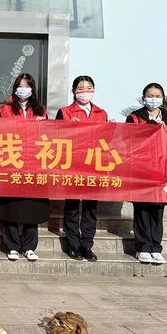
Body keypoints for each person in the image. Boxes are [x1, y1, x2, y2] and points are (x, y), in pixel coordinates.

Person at [56, 75, 113, 262]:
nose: (85, 92)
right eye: (81, 88)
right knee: (72, 205)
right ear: (73, 91)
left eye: (89, 88)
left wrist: (112, 129)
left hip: (93, 165)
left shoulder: (101, 113)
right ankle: (73, 243)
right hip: (72, 165)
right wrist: (69, 128)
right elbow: (56, 137)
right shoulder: (64, 112)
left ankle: (87, 244)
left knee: (90, 207)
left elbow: (105, 140)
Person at [126, 83, 167, 264]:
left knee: (157, 212)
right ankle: (143, 247)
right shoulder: (135, 118)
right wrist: (151, 127)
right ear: (143, 98)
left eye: (157, 96)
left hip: (162, 175)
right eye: (150, 96)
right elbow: (130, 142)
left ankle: (156, 247)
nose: (153, 99)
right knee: (142, 211)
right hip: (141, 174)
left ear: (163, 98)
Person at [0, 73, 49, 261]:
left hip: (34, 164)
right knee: (10, 205)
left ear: (33, 89)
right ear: (15, 88)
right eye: (20, 85)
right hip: (11, 162)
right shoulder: (4, 109)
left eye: (27, 86)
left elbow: (49, 137)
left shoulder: (41, 111)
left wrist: (43, 125)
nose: (23, 89)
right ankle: (11, 245)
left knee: (32, 206)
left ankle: (29, 246)